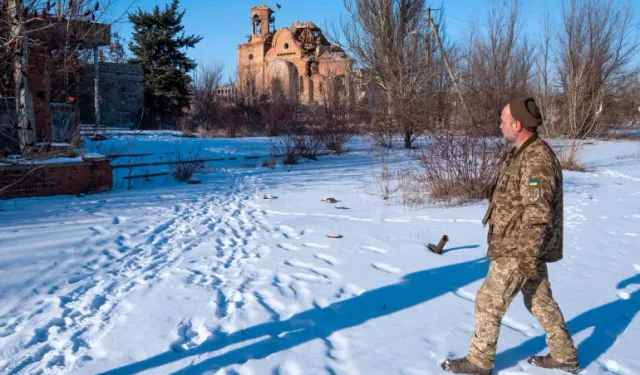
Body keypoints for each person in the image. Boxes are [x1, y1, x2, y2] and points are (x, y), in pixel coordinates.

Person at [441, 97, 579, 375]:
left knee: (488, 301)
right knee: (538, 300)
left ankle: (479, 361)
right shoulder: (519, 152)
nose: (499, 124)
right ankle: (565, 355)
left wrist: (527, 256)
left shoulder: (536, 159)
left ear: (517, 124)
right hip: (518, 244)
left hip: (520, 247)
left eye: (503, 120)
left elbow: (538, 215)